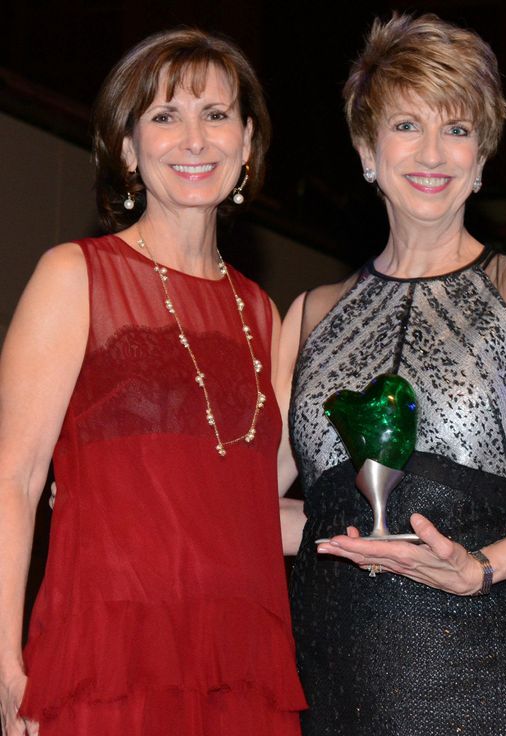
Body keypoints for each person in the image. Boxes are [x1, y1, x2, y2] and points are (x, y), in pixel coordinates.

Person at [275, 13, 506, 735]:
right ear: (366, 149)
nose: (433, 153)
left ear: (482, 157)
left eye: (458, 129)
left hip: (494, 667)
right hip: (336, 674)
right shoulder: (309, 315)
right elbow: (246, 511)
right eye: (407, 126)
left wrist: (481, 567)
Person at [0, 29, 306, 736]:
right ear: (129, 149)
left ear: (247, 142)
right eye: (166, 116)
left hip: (241, 671)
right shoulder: (75, 276)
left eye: (216, 114)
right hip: (107, 665)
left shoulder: (262, 313)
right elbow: (14, 478)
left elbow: (246, 508)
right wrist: (7, 665)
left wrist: (392, 526)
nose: (194, 139)